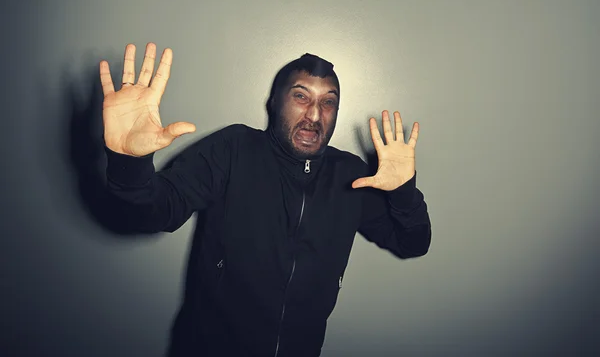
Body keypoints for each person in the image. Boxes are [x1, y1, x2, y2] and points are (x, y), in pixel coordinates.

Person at [99, 43, 431, 357]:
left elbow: (413, 243)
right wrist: (130, 165)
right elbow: (153, 213)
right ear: (274, 102)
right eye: (301, 96)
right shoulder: (233, 149)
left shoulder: (351, 175)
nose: (315, 115)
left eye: (328, 102)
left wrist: (404, 194)